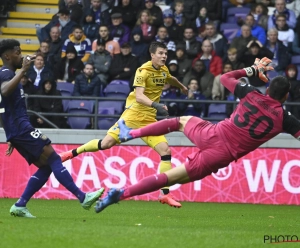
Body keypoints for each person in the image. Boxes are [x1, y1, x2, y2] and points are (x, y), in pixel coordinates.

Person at [93, 57, 300, 213]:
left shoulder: (251, 93)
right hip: (220, 154)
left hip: (212, 133)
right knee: (169, 178)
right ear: (286, 96)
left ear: (267, 88)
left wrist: (253, 69)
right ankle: (122, 194)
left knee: (180, 121)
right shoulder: (285, 118)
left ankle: (132, 132)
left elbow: (225, 77)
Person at [59, 41, 188, 208]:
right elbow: (140, 96)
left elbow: (170, 78)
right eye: (161, 53)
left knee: (165, 151)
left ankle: (164, 194)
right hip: (132, 116)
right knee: (105, 144)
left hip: (149, 120)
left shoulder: (163, 69)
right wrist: (157, 106)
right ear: (152, 55)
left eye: (165, 53)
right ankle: (72, 153)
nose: (164, 56)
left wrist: (182, 87)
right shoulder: (142, 71)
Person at [0, 39, 104, 218]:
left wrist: (11, 136)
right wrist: (24, 70)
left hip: (17, 129)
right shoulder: (6, 73)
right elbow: (4, 91)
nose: (21, 55)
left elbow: (4, 105)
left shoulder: (8, 73)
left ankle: (20, 204)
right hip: (20, 127)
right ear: (8, 55)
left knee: (48, 165)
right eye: (18, 52)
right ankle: (82, 197)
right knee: (54, 158)